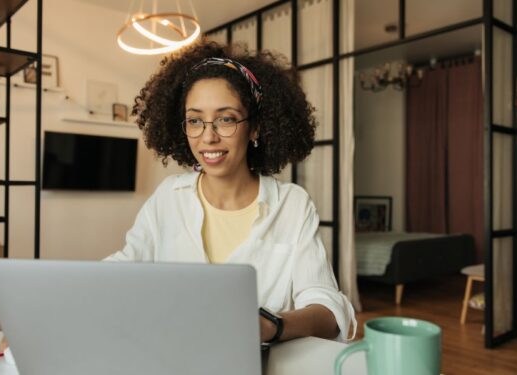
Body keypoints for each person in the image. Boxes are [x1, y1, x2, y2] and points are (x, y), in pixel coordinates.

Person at [105, 41, 356, 343]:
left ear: (255, 129)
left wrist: (270, 325)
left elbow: (330, 313)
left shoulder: (292, 205)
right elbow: (122, 270)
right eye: (195, 120)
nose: (208, 137)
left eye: (226, 119)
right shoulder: (168, 197)